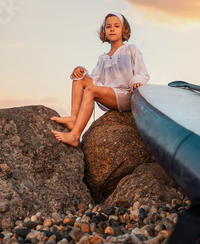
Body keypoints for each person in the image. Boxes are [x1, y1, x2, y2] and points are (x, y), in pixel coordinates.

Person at [51, 12, 150, 147]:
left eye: (116, 26)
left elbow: (141, 72)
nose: (112, 29)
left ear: (124, 30)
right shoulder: (102, 58)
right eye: (108, 27)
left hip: (126, 95)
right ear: (104, 31)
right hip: (108, 93)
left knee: (91, 90)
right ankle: (73, 118)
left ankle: (75, 136)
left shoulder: (131, 49)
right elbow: (95, 79)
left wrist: (137, 82)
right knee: (79, 79)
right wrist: (81, 70)